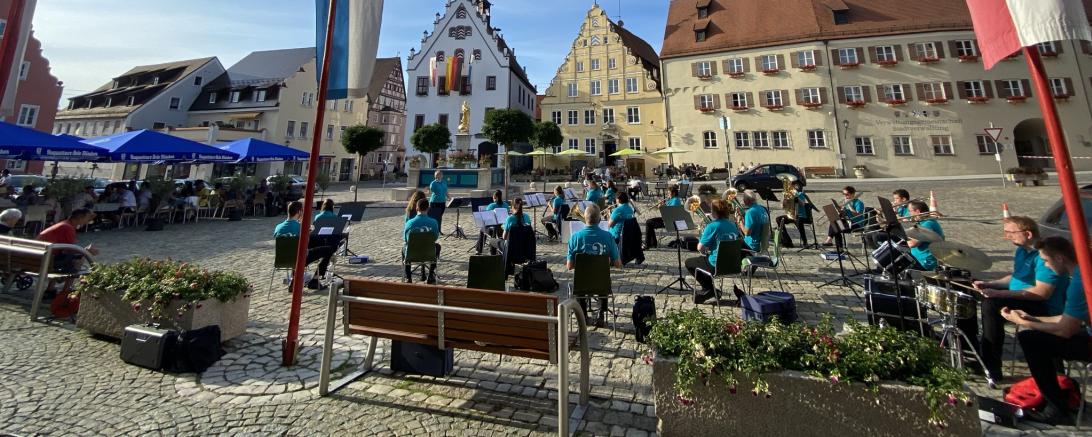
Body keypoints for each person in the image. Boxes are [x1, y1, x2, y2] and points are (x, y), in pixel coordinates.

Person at [1003, 236, 1090, 425]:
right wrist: (1033, 318)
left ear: (1059, 258)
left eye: (1045, 261)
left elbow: (1065, 330)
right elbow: (1067, 319)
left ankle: (1057, 408)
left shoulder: (1079, 282)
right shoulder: (1081, 274)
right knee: (1034, 336)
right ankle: (1058, 395)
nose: (1045, 266)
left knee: (1031, 340)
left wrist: (1024, 323)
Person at [975, 216, 1068, 379]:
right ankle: (973, 348)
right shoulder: (1022, 250)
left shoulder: (1044, 256)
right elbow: (1016, 278)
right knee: (972, 292)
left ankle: (991, 366)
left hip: (1044, 306)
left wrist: (1000, 293)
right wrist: (990, 284)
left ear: (1028, 234)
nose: (1007, 237)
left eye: (1011, 233)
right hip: (1021, 297)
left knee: (991, 305)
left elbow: (1041, 293)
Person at [566, 204, 621, 327]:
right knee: (603, 277)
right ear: (600, 219)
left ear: (585, 218)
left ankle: (583, 316)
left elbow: (569, 266)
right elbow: (618, 264)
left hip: (582, 284)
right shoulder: (608, 236)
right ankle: (601, 314)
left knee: (580, 281)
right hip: (602, 283)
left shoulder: (574, 237)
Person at [685, 199, 741, 304]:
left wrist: (704, 240)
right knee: (703, 261)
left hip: (717, 265)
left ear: (714, 212)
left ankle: (708, 289)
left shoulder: (712, 226)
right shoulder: (733, 225)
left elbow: (700, 248)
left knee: (689, 262)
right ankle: (710, 290)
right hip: (733, 265)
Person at [272, 201, 337, 290]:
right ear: (299, 212)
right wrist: (307, 231)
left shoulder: (278, 227)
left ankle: (294, 278)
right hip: (300, 259)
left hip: (282, 259)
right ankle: (315, 280)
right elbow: (306, 244)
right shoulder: (300, 227)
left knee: (295, 249)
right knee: (329, 249)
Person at [39, 209, 100, 294]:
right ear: (80, 217)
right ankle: (66, 290)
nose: (88, 221)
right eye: (87, 218)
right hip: (46, 262)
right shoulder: (67, 228)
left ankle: (50, 289)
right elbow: (70, 251)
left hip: (38, 259)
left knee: (69, 257)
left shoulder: (64, 224)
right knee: (79, 259)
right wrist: (86, 250)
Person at [403, 198, 441, 284]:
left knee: (404, 247)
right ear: (428, 208)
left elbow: (406, 239)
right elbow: (435, 238)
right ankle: (430, 275)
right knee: (437, 246)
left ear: (416, 208)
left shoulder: (409, 223)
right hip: (428, 252)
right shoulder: (434, 222)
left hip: (412, 253)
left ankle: (408, 277)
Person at [906, 201, 943, 270]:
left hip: (925, 262)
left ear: (917, 211)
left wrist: (904, 231)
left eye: (910, 211)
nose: (908, 213)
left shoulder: (927, 224)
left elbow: (912, 244)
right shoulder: (922, 222)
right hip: (917, 259)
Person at [644, 185, 683, 249]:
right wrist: (658, 206)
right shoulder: (671, 199)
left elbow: (670, 212)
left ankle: (648, 244)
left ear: (673, 193)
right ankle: (652, 243)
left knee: (649, 223)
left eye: (669, 193)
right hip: (666, 219)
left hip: (670, 221)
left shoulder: (675, 200)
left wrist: (662, 207)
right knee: (649, 222)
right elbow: (664, 209)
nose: (668, 195)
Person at [739, 190, 768, 255]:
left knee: (734, 244)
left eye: (744, 198)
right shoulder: (762, 209)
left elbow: (747, 233)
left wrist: (740, 221)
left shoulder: (750, 212)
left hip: (753, 245)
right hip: (763, 243)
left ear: (747, 200)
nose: (743, 200)